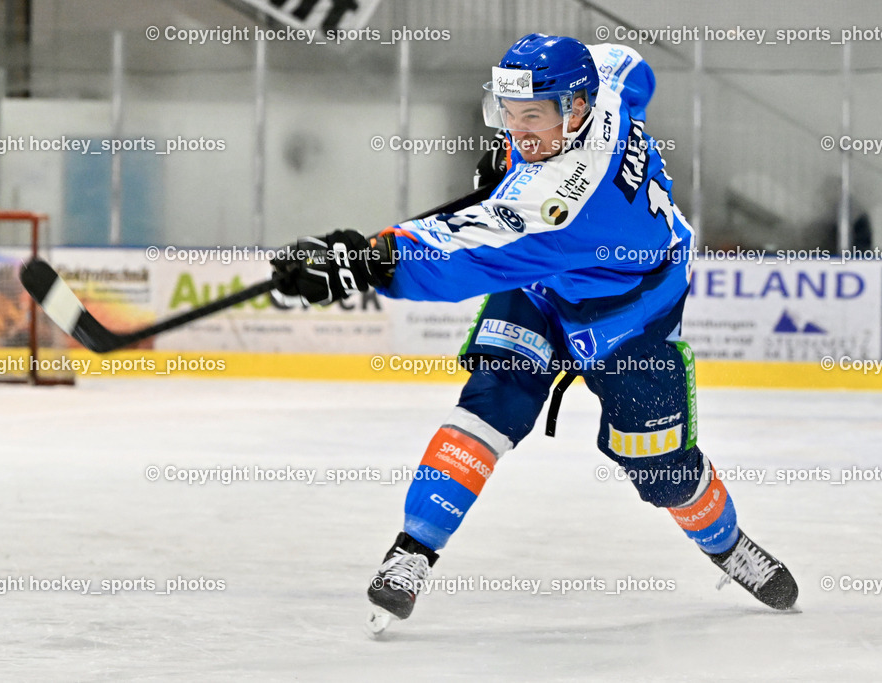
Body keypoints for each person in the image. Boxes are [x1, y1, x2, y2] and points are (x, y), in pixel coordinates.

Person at [270, 34, 798, 633]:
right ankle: (411, 552)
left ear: (574, 111)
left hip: (631, 317)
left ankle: (729, 548)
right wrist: (512, 154)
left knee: (662, 468)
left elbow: (461, 253)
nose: (518, 131)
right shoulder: (604, 84)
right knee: (492, 402)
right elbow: (630, 63)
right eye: (508, 115)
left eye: (532, 118)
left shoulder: (559, 203)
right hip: (543, 287)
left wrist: (361, 264)